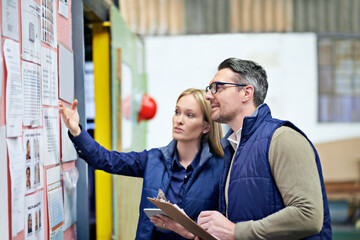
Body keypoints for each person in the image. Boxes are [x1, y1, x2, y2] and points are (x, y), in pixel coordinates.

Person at [59, 88, 225, 240]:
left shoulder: (220, 169)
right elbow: (106, 160)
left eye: (189, 115)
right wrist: (76, 131)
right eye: (177, 112)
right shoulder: (154, 159)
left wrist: (186, 231)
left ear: (205, 127)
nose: (179, 120)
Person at [195, 58, 332, 239]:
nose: (208, 96)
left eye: (218, 87)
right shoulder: (232, 148)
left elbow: (308, 216)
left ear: (246, 93)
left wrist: (236, 232)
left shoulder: (283, 138)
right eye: (209, 89)